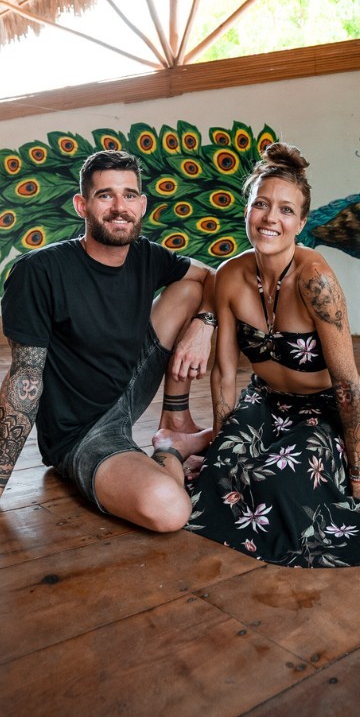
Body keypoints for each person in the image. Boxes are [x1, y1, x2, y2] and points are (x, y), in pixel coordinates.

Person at [0, 150, 215, 532]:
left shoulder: (147, 254)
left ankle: (176, 419)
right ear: (82, 205)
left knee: (190, 291)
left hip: (129, 387)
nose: (120, 207)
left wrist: (205, 323)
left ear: (142, 204)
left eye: (129, 195)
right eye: (105, 195)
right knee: (169, 511)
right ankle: (172, 447)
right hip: (83, 432)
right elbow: (25, 382)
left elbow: (213, 276)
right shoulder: (39, 272)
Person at [185, 142, 360, 567]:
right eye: (261, 204)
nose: (270, 218)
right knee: (219, 474)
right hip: (265, 400)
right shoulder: (228, 277)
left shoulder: (315, 278)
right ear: (247, 210)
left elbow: (348, 383)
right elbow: (225, 374)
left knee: (282, 485)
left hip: (325, 410)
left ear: (300, 222)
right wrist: (222, 440)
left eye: (285, 210)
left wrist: (357, 467)